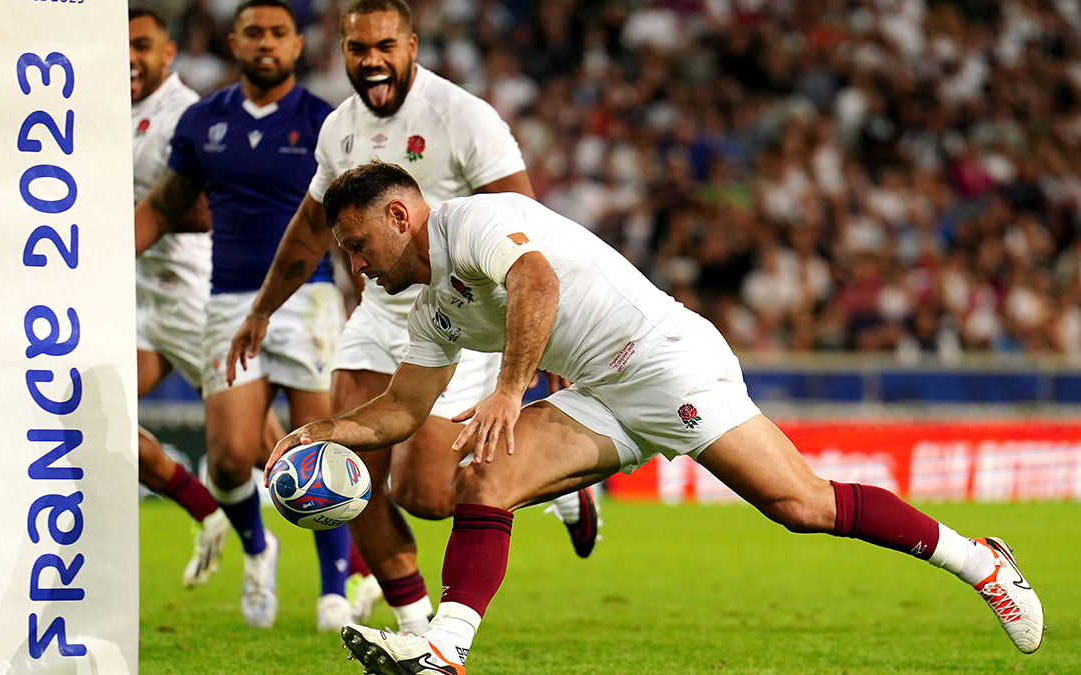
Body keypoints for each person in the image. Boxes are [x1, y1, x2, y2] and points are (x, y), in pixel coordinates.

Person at [266, 161, 1045, 673]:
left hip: (664, 359)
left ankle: (980, 561)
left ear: (401, 216)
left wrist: (510, 388)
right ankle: (445, 648)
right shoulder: (432, 307)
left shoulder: (469, 223)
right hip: (601, 392)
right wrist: (319, 433)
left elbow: (535, 279)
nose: (357, 264)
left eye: (360, 244)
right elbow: (402, 410)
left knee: (801, 505)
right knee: (483, 479)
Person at [224, 0, 599, 636]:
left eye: (385, 45)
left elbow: (530, 231)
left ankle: (559, 486)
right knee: (340, 453)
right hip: (378, 310)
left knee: (425, 497)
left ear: (412, 46)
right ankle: (414, 623)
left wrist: (549, 340)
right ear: (342, 52)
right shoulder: (338, 129)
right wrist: (262, 308)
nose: (371, 59)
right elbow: (311, 229)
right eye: (357, 48)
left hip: (462, 314)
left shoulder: (463, 117)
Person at [134, 0, 352, 631]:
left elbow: (349, 213)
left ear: (296, 45)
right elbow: (164, 205)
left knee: (319, 447)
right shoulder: (205, 121)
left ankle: (333, 593)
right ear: (234, 42)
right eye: (254, 32)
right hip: (228, 299)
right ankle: (259, 549)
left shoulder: (325, 121)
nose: (265, 43)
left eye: (277, 33)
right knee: (231, 457)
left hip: (308, 297)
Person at [129, 7, 231, 590]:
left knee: (259, 444)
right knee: (90, 416)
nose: (130, 60)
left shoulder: (184, 115)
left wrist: (144, 218)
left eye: (142, 46)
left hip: (189, 292)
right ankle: (208, 513)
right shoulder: (105, 113)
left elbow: (207, 206)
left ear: (168, 54)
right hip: (134, 296)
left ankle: (359, 570)